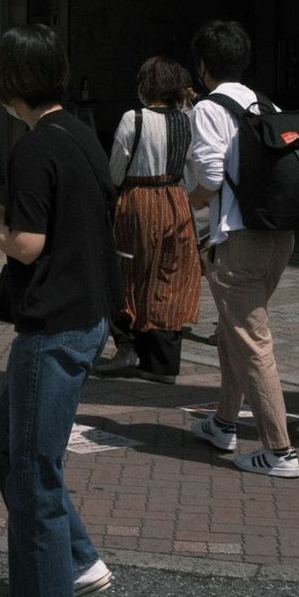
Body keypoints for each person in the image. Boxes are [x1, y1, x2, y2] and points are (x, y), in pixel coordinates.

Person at [0, 24, 118, 597]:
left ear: (7, 81)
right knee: (7, 445)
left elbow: (27, 245)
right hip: (88, 312)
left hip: (54, 323)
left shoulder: (33, 147)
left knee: (34, 464)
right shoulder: (78, 132)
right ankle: (76, 559)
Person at [185, 19, 299, 478]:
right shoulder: (263, 102)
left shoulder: (209, 108)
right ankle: (224, 422)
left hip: (239, 239)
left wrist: (185, 204)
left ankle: (279, 452)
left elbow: (210, 177)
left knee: (252, 342)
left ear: (202, 65)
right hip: (279, 235)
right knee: (234, 330)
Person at [93, 56, 202, 384]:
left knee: (127, 272)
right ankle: (162, 364)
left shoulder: (133, 118)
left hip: (139, 200)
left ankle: (128, 347)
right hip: (177, 199)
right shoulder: (188, 119)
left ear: (146, 85)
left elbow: (115, 171)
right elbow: (194, 166)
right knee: (170, 277)